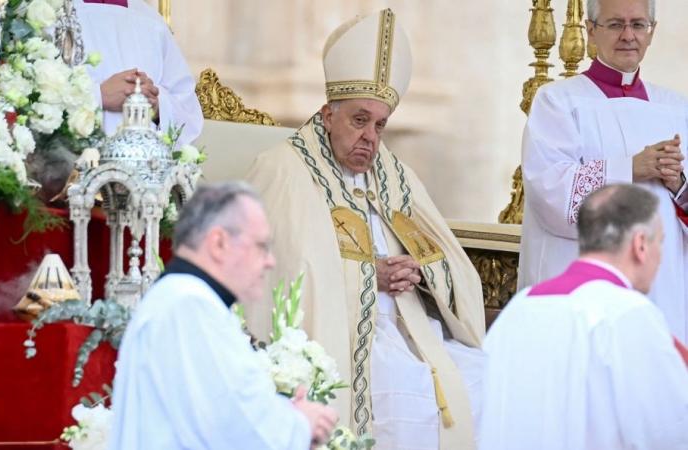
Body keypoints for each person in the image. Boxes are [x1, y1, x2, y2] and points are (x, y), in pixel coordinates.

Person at [245, 9, 486, 450]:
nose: (371, 138)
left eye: (380, 125)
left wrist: (421, 271)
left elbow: (447, 261)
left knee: (487, 380)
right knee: (406, 397)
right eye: (359, 120)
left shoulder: (395, 176)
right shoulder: (284, 170)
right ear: (327, 114)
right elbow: (276, 269)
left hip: (411, 327)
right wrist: (367, 275)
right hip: (343, 333)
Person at [109, 182, 338, 449]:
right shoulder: (188, 306)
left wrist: (282, 412)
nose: (270, 261)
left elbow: (216, 406)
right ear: (219, 243)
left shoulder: (185, 300)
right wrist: (301, 424)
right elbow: (232, 427)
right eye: (261, 246)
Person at [518, 0, 688, 343]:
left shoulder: (677, 108)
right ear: (591, 31)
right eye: (615, 25)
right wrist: (630, 168)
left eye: (638, 25)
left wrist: (679, 184)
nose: (628, 36)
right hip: (584, 291)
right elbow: (550, 193)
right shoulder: (558, 102)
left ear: (651, 33)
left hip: (662, 289)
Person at [481, 184, 688, 450]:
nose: (661, 257)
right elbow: (670, 429)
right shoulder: (627, 313)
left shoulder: (518, 310)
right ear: (640, 245)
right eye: (660, 242)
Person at [73, 0, 203, 144]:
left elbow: (187, 110)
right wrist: (99, 96)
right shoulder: (49, 12)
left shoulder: (150, 19)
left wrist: (155, 102)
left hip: (147, 161)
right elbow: (45, 103)